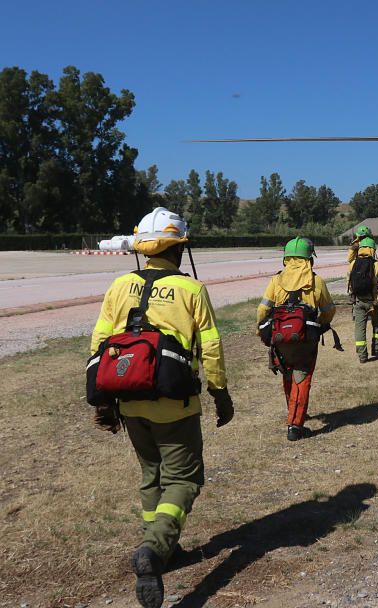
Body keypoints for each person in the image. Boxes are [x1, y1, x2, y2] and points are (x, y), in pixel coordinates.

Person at [89, 207, 233, 608]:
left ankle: (166, 550)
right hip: (175, 405)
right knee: (184, 481)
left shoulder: (119, 286)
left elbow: (100, 344)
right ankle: (154, 549)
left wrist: (103, 401)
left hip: (130, 402)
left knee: (151, 475)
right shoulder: (191, 290)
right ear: (180, 248)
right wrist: (220, 394)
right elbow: (212, 347)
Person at [257, 237, 336, 441]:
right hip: (305, 341)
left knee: (287, 374)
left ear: (286, 258)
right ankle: (295, 426)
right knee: (302, 378)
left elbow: (263, 309)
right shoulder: (316, 281)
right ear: (309, 258)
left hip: (280, 340)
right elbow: (329, 310)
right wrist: (321, 324)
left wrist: (262, 331)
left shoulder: (276, 280)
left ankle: (294, 410)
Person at [349, 237, 378, 363]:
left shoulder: (353, 264)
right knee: (377, 325)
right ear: (373, 250)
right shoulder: (377, 265)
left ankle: (362, 356)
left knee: (360, 328)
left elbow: (349, 285)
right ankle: (376, 349)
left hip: (359, 302)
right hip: (374, 302)